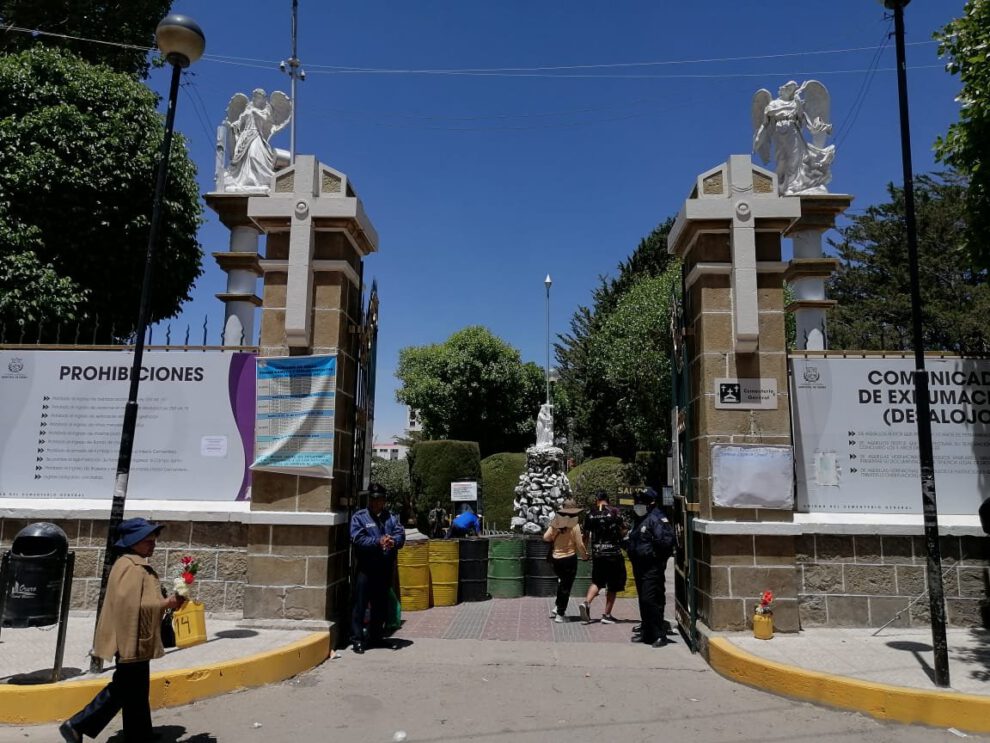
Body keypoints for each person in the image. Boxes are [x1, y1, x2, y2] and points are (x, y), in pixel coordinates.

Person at [60, 519, 185, 743]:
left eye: (153, 540)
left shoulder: (132, 563)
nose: (152, 544)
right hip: (130, 639)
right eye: (148, 540)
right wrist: (167, 603)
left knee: (137, 690)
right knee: (123, 688)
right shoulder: (133, 568)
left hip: (136, 637)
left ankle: (139, 734)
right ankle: (76, 724)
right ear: (134, 542)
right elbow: (131, 608)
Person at [350, 483, 406, 654]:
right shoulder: (360, 517)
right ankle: (358, 639)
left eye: (379, 500)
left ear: (384, 501)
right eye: (373, 500)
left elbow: (400, 535)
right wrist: (377, 541)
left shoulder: (390, 518)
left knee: (380, 604)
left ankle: (376, 637)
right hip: (366, 568)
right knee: (360, 604)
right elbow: (357, 539)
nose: (376, 503)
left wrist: (393, 541)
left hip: (384, 568)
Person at [626, 488, 675, 647]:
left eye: (642, 502)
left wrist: (656, 557)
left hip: (652, 567)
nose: (638, 505)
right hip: (639, 566)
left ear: (651, 502)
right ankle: (647, 632)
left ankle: (659, 634)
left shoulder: (657, 518)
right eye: (637, 502)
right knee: (643, 600)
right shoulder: (641, 518)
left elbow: (667, 541)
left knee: (651, 600)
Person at [578, 491, 627, 624]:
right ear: (607, 500)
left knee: (597, 581)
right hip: (613, 554)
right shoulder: (615, 512)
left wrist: (584, 552)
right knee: (613, 585)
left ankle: (586, 602)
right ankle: (606, 615)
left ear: (597, 500)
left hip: (597, 554)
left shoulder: (590, 514)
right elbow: (623, 530)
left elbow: (585, 536)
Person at [543, 499, 588, 623]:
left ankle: (557, 606)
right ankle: (560, 614)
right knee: (566, 587)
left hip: (556, 558)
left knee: (562, 583)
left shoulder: (556, 522)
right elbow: (580, 544)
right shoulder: (575, 525)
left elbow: (546, 537)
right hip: (569, 558)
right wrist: (585, 556)